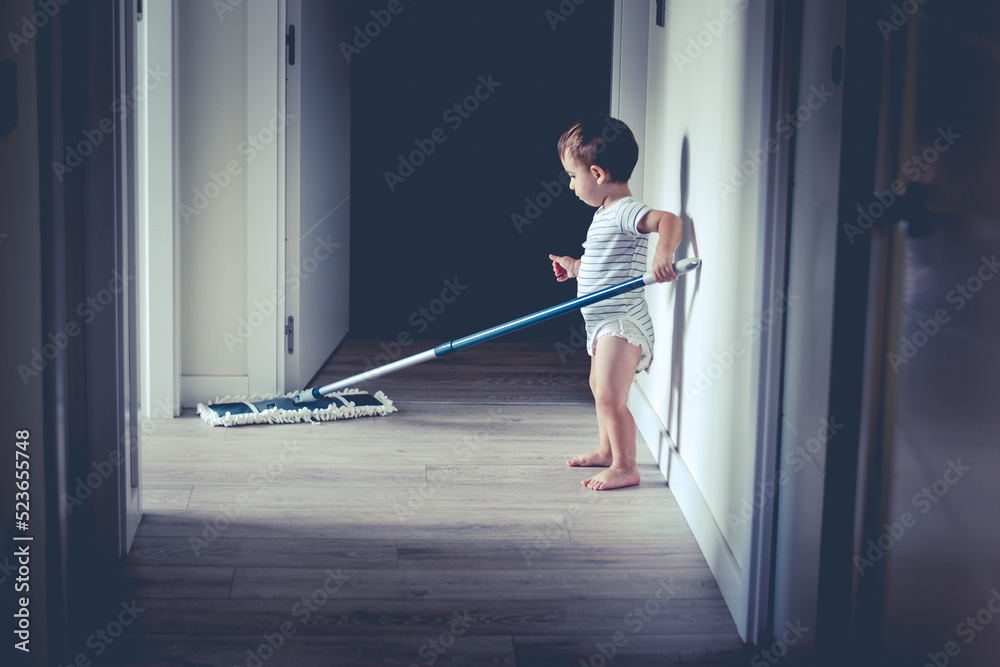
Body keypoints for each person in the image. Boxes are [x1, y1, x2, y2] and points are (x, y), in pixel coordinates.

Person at [549, 114, 683, 491]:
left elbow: (669, 220)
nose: (571, 184)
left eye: (573, 176)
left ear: (597, 173)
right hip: (602, 322)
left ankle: (626, 466)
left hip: (621, 322)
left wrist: (664, 253)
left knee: (610, 395)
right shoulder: (604, 213)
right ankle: (608, 450)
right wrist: (576, 267)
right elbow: (606, 262)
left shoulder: (625, 210)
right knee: (598, 388)